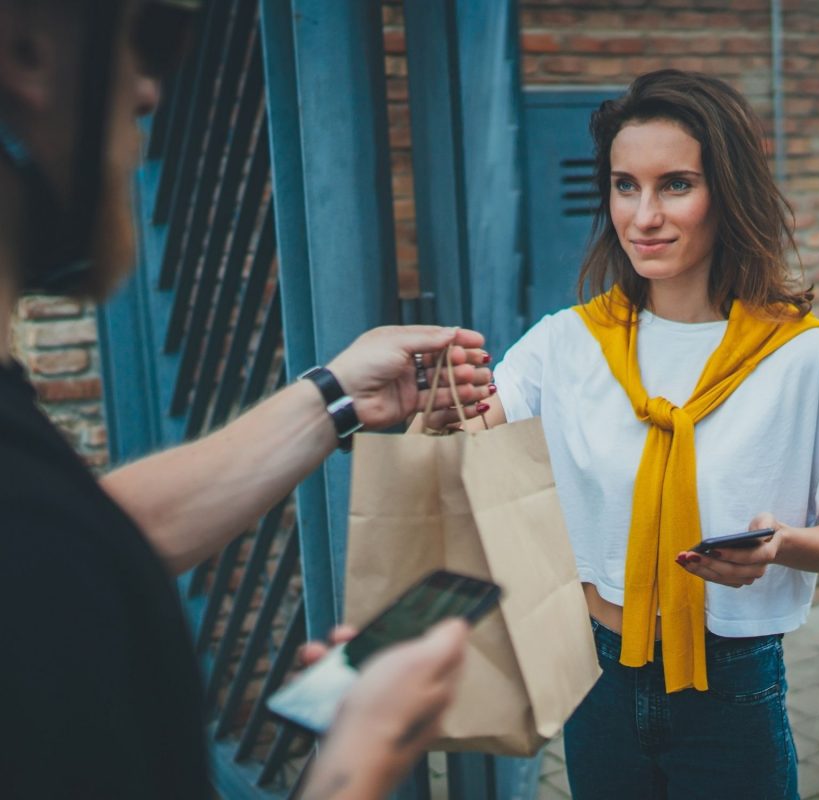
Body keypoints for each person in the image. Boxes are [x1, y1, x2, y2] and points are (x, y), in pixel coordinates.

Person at [0, 1, 492, 798]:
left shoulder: (37, 521)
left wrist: (333, 397)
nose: (151, 91)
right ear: (28, 52)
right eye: (149, 38)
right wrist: (360, 755)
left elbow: (101, 529)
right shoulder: (33, 556)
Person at [420, 70, 819, 799]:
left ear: (726, 194)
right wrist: (433, 404)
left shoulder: (803, 357)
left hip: (731, 688)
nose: (643, 216)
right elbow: (463, 435)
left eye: (675, 185)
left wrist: (783, 545)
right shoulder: (568, 344)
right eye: (624, 185)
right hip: (599, 677)